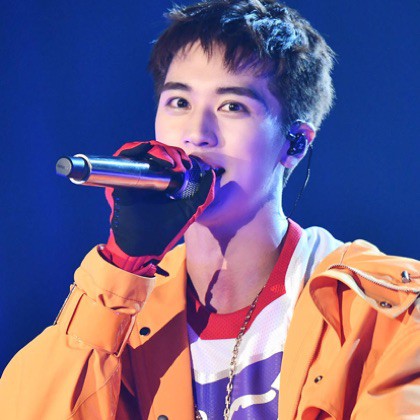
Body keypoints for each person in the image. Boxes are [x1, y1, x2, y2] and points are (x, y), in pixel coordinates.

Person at [1, 1, 419, 419]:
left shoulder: (385, 314)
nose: (195, 134)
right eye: (179, 102)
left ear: (295, 143)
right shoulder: (119, 318)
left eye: (232, 106)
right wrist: (121, 266)